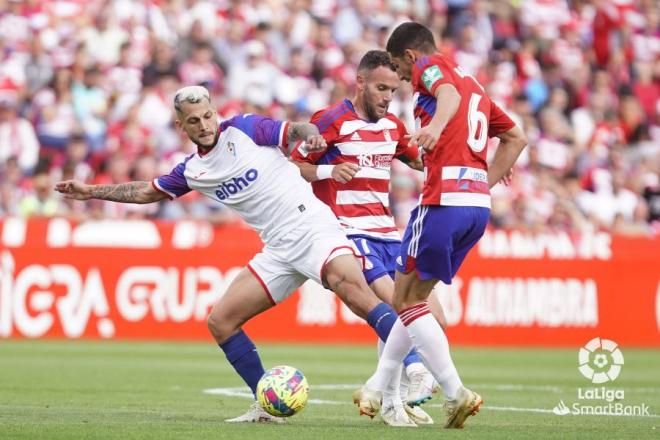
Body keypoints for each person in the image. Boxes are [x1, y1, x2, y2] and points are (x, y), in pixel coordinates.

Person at [55, 85, 407, 424]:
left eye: (208, 116)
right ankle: (265, 405)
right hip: (279, 249)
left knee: (356, 294)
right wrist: (92, 192)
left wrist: (310, 133)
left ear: (215, 111)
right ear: (181, 126)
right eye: (194, 121)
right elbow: (147, 192)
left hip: (313, 226)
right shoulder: (193, 170)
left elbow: (294, 129)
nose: (204, 125)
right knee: (220, 322)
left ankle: (420, 368)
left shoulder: (245, 128)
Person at [353, 22, 528, 429]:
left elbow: (444, 94)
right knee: (408, 298)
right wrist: (482, 181)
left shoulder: (432, 69)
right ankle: (376, 389)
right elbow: (516, 138)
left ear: (410, 57)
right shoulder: (476, 86)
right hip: (475, 208)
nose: (400, 77)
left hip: (441, 202)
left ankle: (455, 392)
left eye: (399, 68)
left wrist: (433, 127)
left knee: (406, 300)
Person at [291, 50, 450, 426]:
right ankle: (414, 376)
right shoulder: (330, 121)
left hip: (388, 233)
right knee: (398, 305)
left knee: (435, 317)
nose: (386, 97)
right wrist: (329, 170)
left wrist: (463, 159)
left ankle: (390, 399)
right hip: (350, 231)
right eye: (380, 88)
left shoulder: (393, 127)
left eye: (392, 91)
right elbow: (295, 166)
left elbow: (420, 161)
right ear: (360, 82)